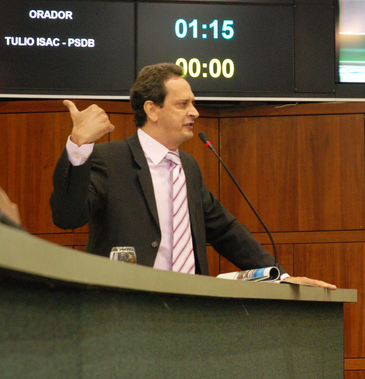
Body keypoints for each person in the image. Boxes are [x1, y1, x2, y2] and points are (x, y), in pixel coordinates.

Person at [50, 63, 335, 289]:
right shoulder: (110, 159)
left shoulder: (188, 167)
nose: (194, 112)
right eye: (182, 104)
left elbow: (225, 231)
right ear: (152, 110)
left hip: (190, 312)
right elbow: (67, 217)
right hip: (125, 309)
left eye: (193, 103)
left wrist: (281, 278)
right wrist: (79, 144)